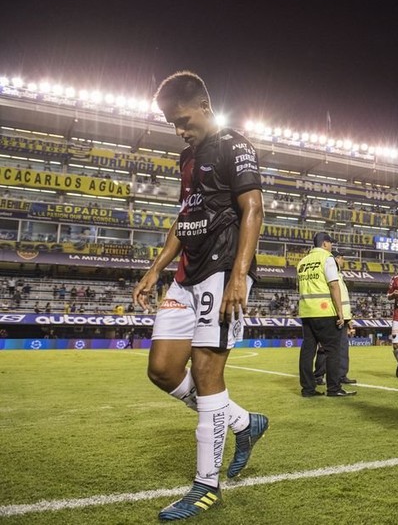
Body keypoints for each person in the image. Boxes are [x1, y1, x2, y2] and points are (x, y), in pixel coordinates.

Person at [131, 71, 268, 521]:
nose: (180, 130)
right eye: (173, 123)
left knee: (208, 374)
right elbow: (183, 216)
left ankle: (206, 486)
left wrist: (238, 276)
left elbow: (253, 209)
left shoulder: (235, 145)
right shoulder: (187, 158)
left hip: (222, 271)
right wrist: (156, 269)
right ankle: (244, 423)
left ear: (205, 107)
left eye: (184, 120)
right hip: (186, 275)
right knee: (162, 369)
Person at [297, 232, 357, 398]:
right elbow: (333, 286)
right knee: (333, 351)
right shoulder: (327, 259)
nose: (331, 246)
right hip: (325, 312)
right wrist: (340, 312)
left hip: (307, 312)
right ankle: (333, 388)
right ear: (324, 244)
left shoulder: (302, 262)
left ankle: (308, 389)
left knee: (308, 352)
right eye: (330, 243)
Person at [313, 249, 357, 386]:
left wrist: (348, 320)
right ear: (336, 259)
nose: (343, 261)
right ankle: (318, 375)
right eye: (342, 258)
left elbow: (343, 299)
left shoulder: (339, 276)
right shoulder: (331, 275)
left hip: (342, 316)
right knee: (325, 348)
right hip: (333, 316)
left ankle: (341, 375)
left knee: (343, 348)